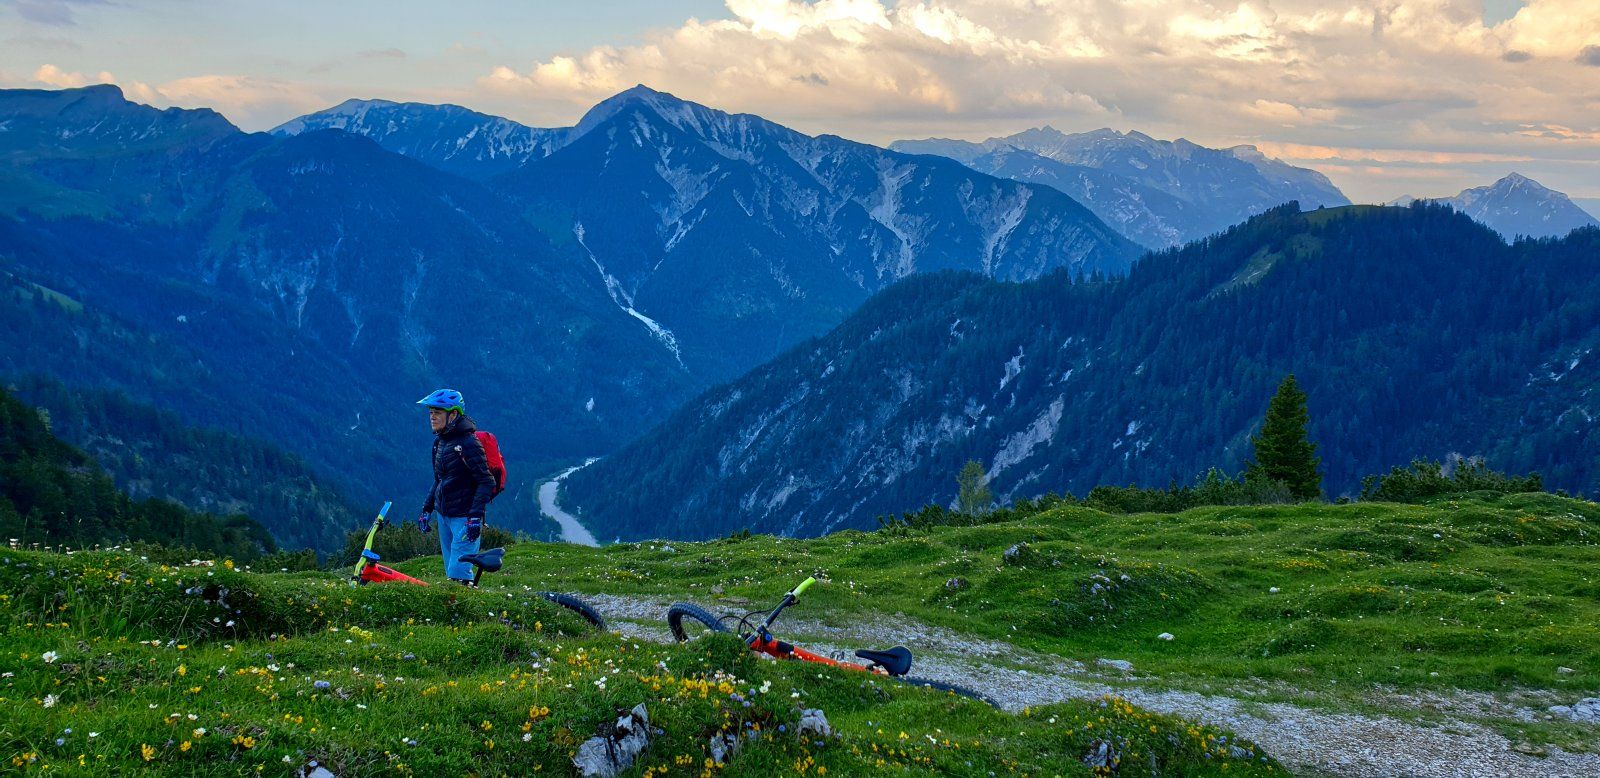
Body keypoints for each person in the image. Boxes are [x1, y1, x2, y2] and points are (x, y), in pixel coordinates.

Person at [416, 389, 496, 585]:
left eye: (437, 412)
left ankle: (466, 603)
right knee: (451, 572)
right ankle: (460, 601)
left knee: (458, 573)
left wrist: (475, 517)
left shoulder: (468, 444)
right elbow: (439, 479)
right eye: (430, 412)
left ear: (453, 415)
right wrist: (427, 509)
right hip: (443, 515)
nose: (432, 417)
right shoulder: (440, 443)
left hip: (464, 518)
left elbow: (486, 481)